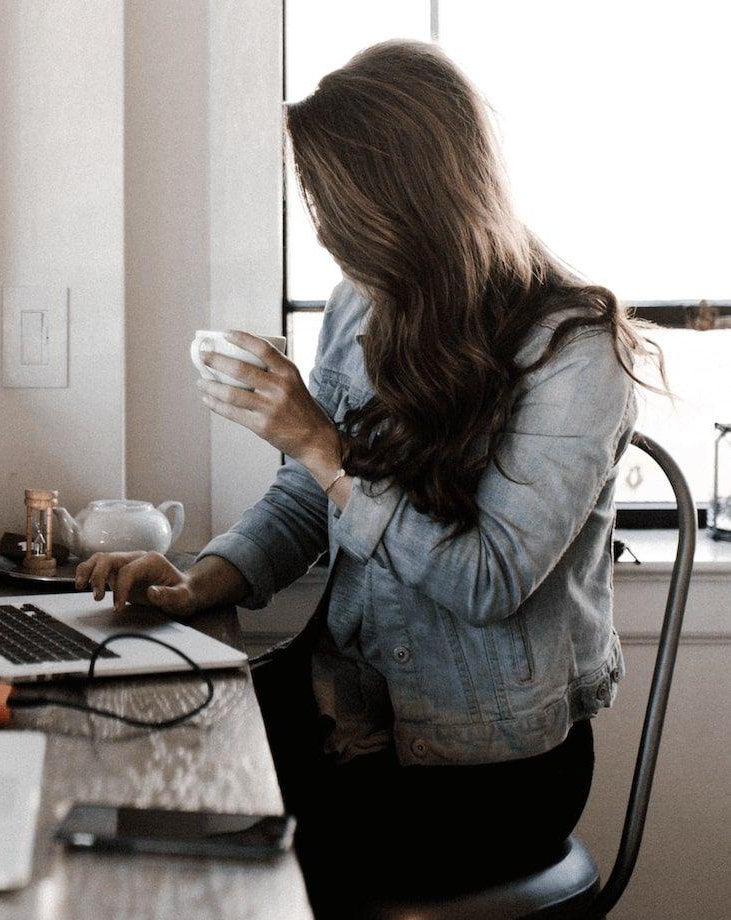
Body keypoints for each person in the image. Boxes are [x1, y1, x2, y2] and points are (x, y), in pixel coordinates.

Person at [75, 39, 663, 908]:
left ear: (409, 198)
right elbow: (308, 496)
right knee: (125, 764)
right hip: (345, 706)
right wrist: (202, 581)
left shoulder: (575, 352)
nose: (323, 229)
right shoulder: (364, 303)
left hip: (487, 768)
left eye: (332, 204)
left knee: (205, 865)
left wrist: (322, 442)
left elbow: (487, 579)